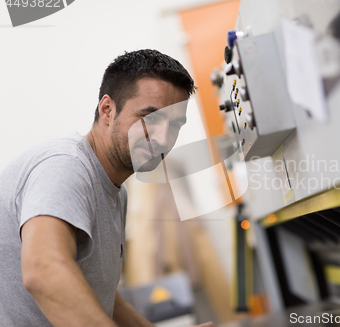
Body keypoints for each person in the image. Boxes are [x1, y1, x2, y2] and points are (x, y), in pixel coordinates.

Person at [0, 49, 216, 327]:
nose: (163, 138)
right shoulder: (66, 166)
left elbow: (100, 295)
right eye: (149, 118)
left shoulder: (116, 191)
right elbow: (43, 271)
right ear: (107, 110)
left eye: (174, 125)